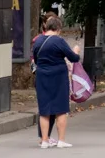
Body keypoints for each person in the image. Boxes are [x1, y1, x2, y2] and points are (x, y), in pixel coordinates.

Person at [32, 16, 81, 148]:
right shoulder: (59, 41)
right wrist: (76, 51)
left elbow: (36, 60)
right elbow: (73, 58)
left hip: (42, 76)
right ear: (58, 28)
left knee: (44, 110)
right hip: (58, 77)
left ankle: (44, 140)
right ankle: (61, 140)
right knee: (60, 109)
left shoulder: (38, 41)